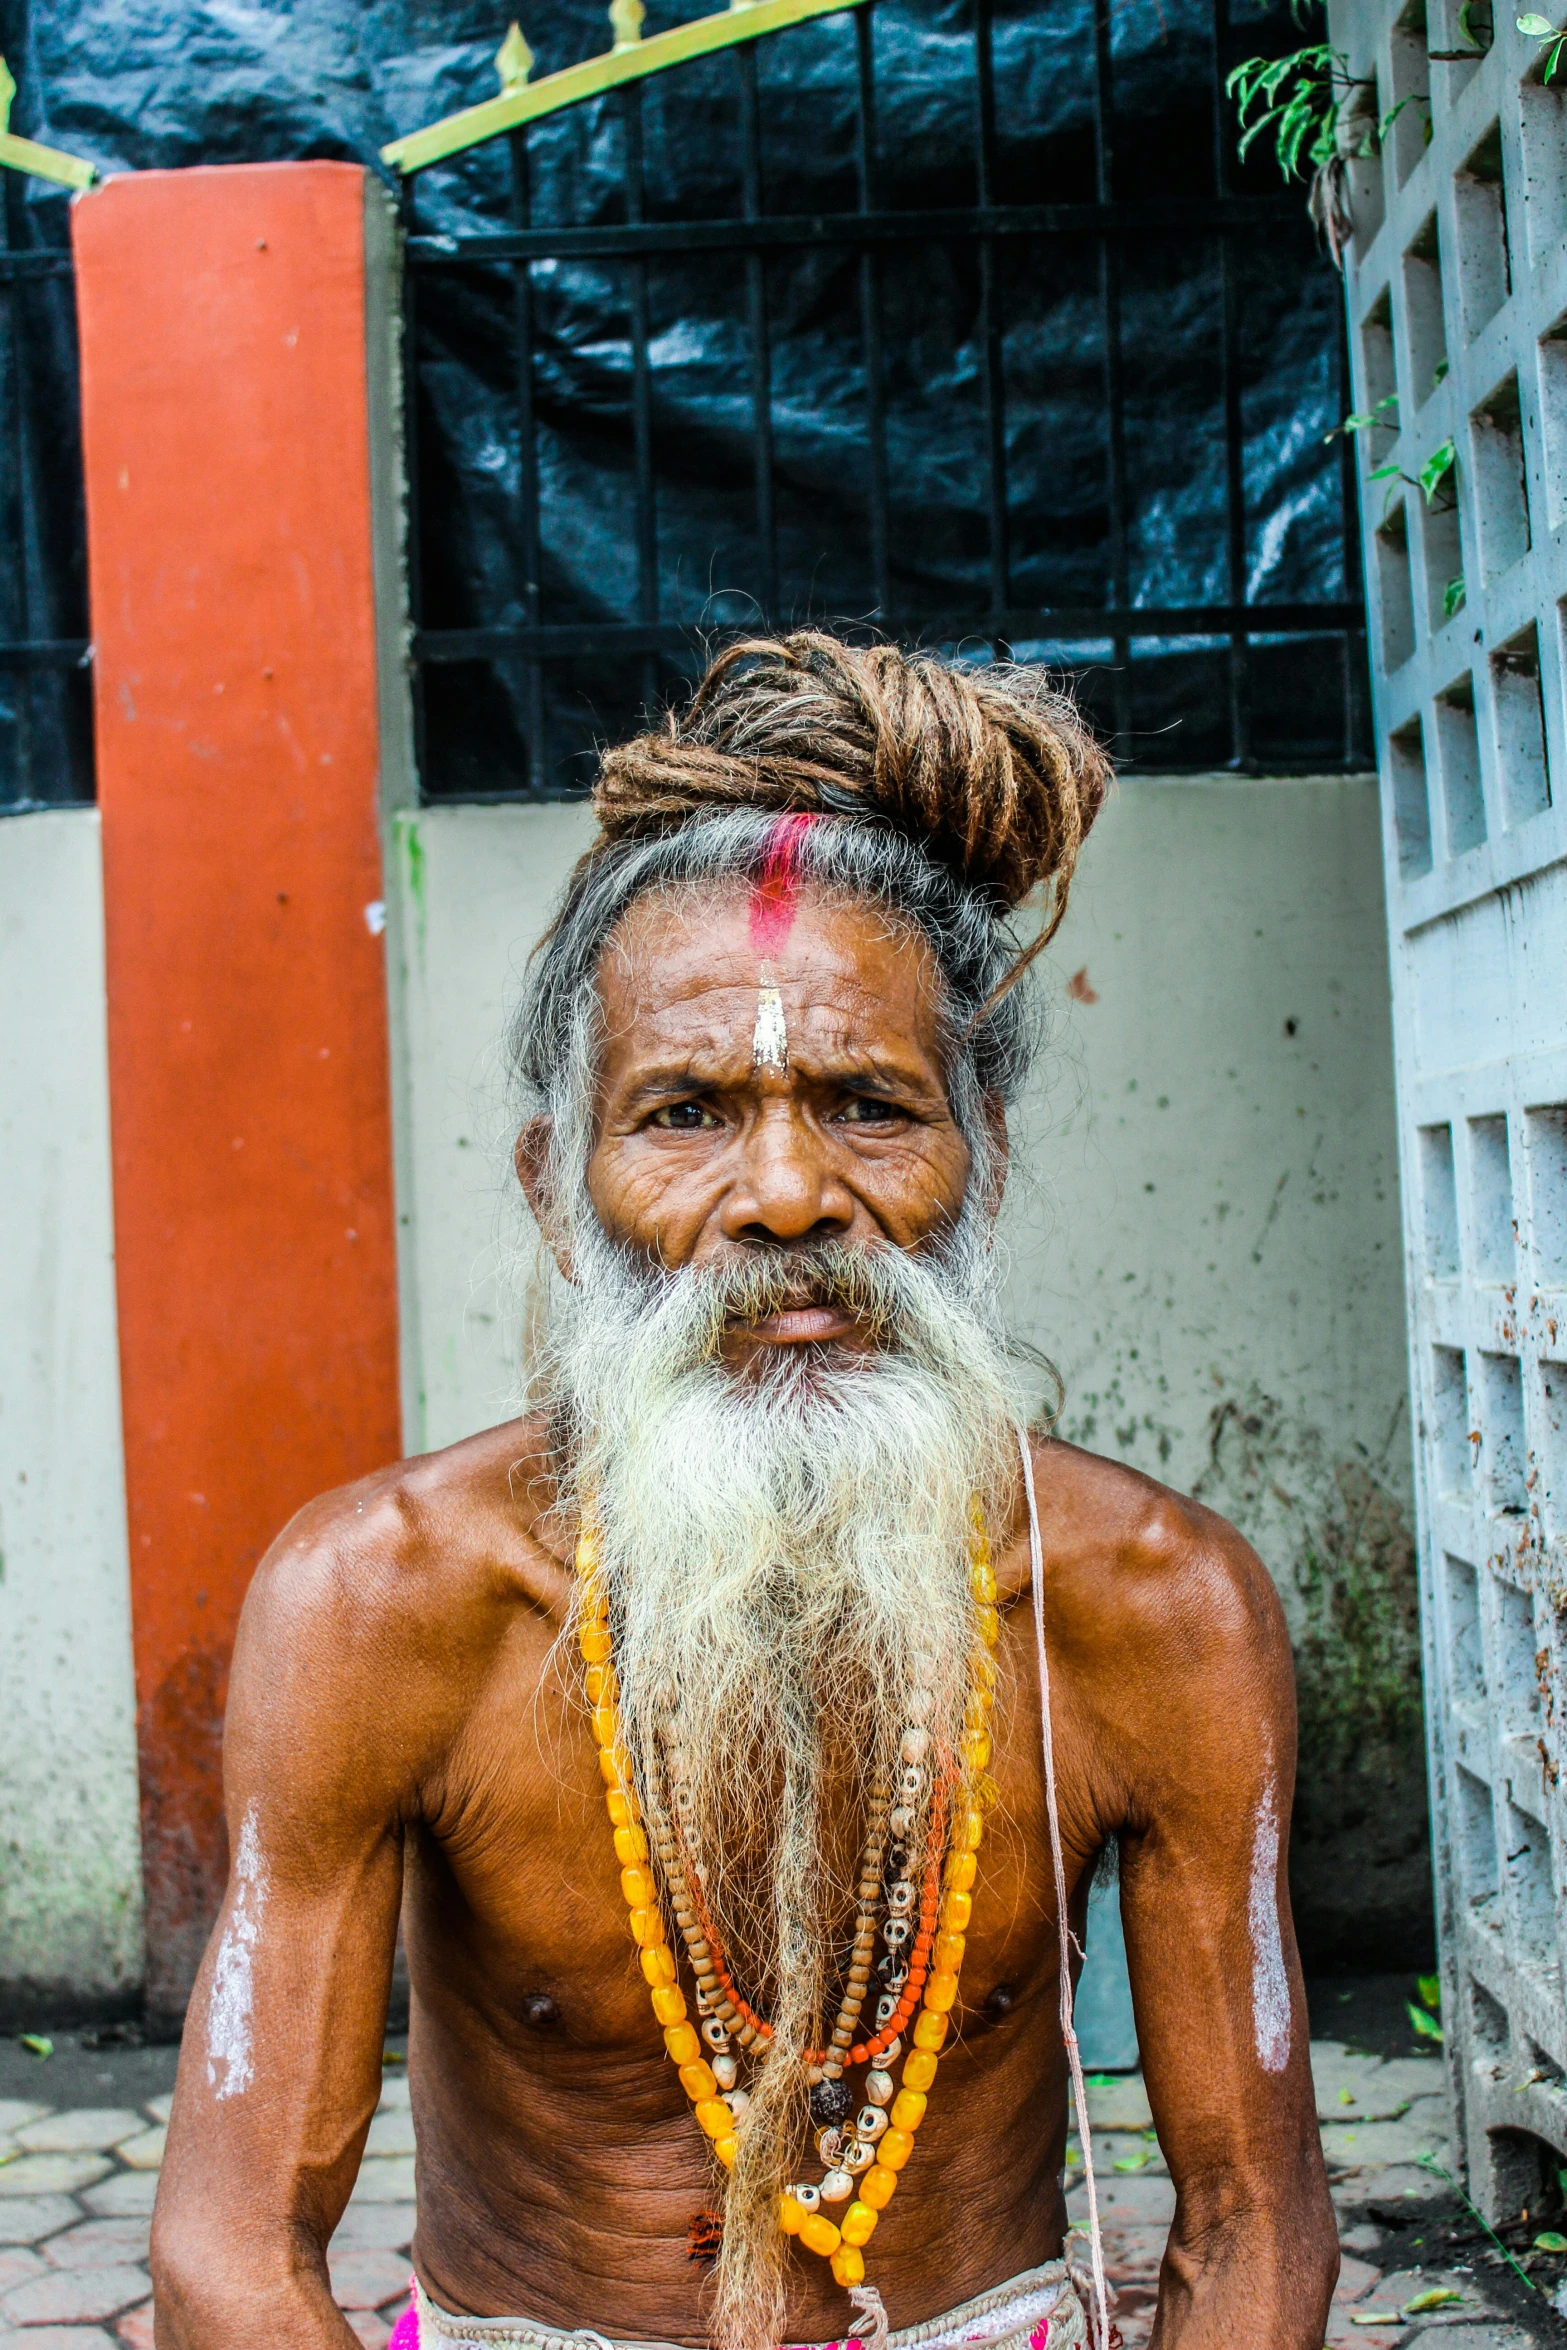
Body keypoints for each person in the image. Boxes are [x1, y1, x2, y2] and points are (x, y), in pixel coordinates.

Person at [151, 633, 1337, 2350]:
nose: (785, 1192)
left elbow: (1249, 2237)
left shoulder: (1154, 1606)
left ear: (980, 1158)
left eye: (865, 1104)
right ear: (560, 1192)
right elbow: (230, 2257)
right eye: (687, 1112)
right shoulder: (377, 1600)